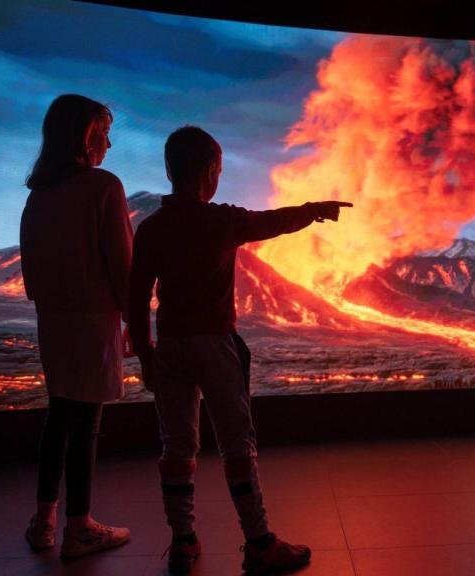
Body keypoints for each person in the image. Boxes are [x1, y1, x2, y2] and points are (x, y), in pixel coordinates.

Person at [127, 125, 350, 575]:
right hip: (215, 345)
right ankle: (259, 542)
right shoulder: (219, 220)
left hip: (169, 347)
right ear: (210, 171)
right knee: (236, 445)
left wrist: (147, 354)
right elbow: (272, 222)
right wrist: (315, 211)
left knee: (177, 447)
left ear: (170, 170)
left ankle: (184, 543)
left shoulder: (151, 229)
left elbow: (135, 296)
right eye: (219, 170)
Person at [20, 94, 133, 559]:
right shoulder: (103, 187)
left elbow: (30, 275)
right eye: (103, 133)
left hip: (54, 322)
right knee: (86, 423)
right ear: (83, 138)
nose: (109, 143)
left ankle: (44, 520)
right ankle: (79, 527)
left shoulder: (38, 195)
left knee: (58, 417)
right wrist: (133, 321)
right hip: (93, 323)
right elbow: (123, 266)